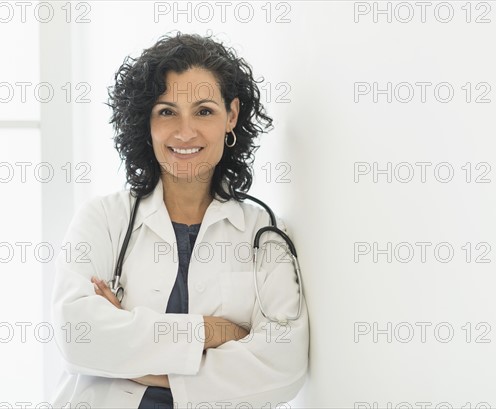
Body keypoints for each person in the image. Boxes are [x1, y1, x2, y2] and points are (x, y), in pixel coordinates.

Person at [50, 32, 309, 408]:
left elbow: (282, 367)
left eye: (204, 111)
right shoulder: (104, 219)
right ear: (147, 122)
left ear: (231, 115)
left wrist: (132, 355)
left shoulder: (264, 234)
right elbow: (77, 335)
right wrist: (211, 331)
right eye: (167, 111)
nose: (185, 132)